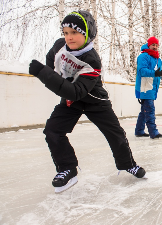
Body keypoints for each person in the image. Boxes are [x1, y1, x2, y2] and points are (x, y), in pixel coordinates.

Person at [28, 10, 146, 193]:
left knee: (115, 133)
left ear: (87, 34)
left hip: (94, 100)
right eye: (66, 32)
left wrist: (43, 74)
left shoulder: (92, 60)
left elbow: (77, 91)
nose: (69, 37)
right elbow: (51, 60)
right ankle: (67, 168)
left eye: (74, 32)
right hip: (70, 99)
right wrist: (52, 72)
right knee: (52, 130)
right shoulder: (59, 46)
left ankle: (127, 164)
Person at [135, 36, 162, 139]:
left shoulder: (158, 59)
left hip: (153, 89)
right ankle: (153, 132)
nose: (155, 47)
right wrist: (154, 73)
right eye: (153, 45)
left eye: (157, 45)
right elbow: (142, 71)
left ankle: (139, 131)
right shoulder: (143, 57)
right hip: (145, 88)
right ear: (149, 45)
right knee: (150, 110)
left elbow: (161, 73)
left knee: (144, 111)